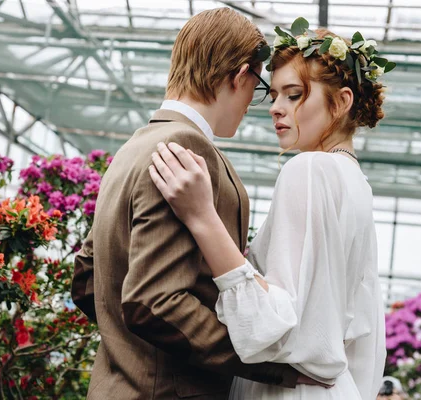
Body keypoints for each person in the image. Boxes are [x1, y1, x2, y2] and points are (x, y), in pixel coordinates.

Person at [71, 7, 314, 399]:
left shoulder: (134, 147)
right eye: (260, 86)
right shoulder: (186, 148)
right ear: (240, 76)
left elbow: (86, 279)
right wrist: (266, 363)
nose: (258, 100)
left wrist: (127, 350)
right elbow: (155, 302)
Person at [149, 24, 389, 399]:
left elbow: (270, 323)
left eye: (294, 95)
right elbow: (366, 336)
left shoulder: (309, 169)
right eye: (273, 94)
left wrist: (202, 216)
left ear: (341, 102)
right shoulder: (357, 184)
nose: (275, 107)